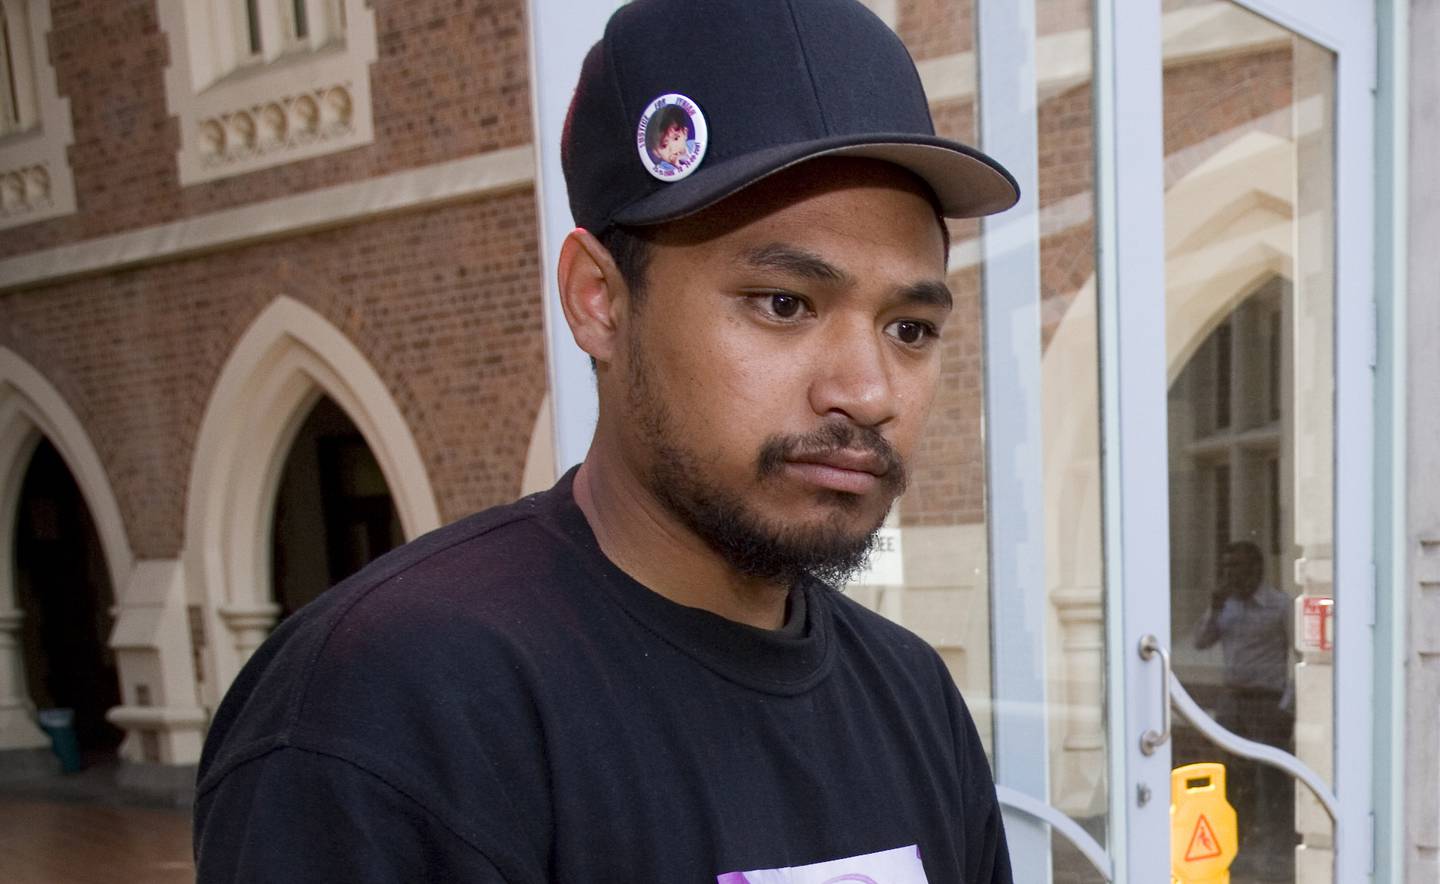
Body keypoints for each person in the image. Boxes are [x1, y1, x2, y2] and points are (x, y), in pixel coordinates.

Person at [192, 0, 1020, 880]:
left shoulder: (911, 695)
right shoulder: (386, 707)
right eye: (784, 304)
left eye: (910, 329)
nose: (866, 391)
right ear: (600, 300)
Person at [1194, 540, 1294, 879]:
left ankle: (1274, 856)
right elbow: (1201, 642)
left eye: (1237, 567)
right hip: (1232, 702)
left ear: (1256, 569)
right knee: (1234, 779)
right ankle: (1236, 850)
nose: (1230, 574)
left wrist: (1287, 706)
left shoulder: (1280, 606)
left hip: (1267, 702)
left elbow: (1296, 656)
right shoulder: (1227, 607)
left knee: (1271, 782)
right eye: (1226, 568)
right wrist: (1214, 607)